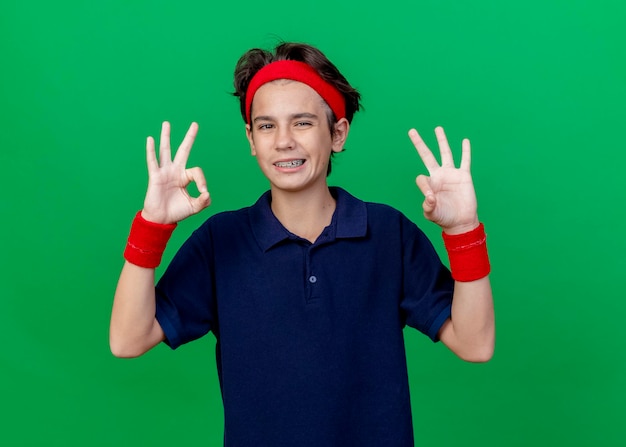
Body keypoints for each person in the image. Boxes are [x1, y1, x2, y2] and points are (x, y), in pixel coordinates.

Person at [110, 41, 494, 447]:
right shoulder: (220, 241)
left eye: (303, 123)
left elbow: (475, 343)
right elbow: (127, 339)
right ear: (251, 139)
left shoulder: (387, 233)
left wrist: (464, 231)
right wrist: (151, 226)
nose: (283, 141)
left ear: (338, 133)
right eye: (266, 125)